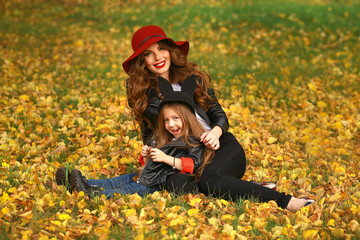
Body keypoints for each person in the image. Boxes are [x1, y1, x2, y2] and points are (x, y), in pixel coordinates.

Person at [121, 25, 314, 211]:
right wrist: (150, 154)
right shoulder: (141, 92)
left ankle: (287, 201)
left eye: (161, 49)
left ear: (170, 51)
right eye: (148, 53)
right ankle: (247, 187)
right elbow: (150, 134)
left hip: (220, 147)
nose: (157, 57)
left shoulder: (192, 78)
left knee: (209, 181)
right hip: (187, 157)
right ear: (142, 61)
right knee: (175, 186)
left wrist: (215, 132)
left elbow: (219, 116)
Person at [55, 76, 214, 199]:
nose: (171, 124)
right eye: (166, 120)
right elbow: (149, 163)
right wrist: (145, 157)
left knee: (128, 190)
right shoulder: (166, 138)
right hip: (149, 175)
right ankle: (79, 183)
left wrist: (166, 158)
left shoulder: (194, 141)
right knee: (117, 180)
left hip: (159, 184)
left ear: (187, 118)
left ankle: (92, 193)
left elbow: (192, 165)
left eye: (176, 118)